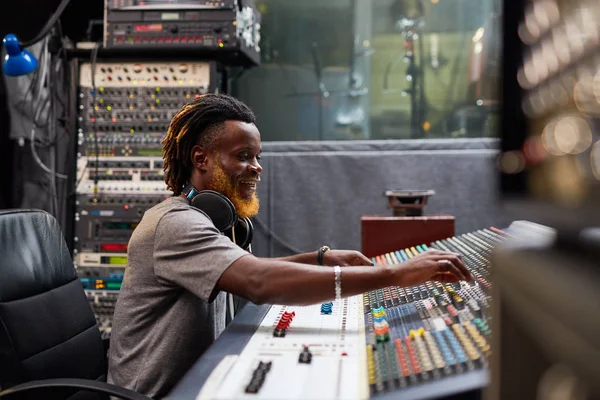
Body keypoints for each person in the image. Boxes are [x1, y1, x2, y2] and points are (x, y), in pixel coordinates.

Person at [107, 93, 473, 398]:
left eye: (257, 157)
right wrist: (394, 275)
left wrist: (319, 259)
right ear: (200, 158)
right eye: (243, 156)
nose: (256, 167)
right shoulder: (177, 225)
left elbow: (242, 270)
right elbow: (258, 282)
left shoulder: (205, 220)